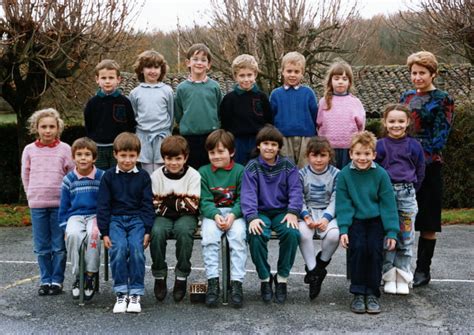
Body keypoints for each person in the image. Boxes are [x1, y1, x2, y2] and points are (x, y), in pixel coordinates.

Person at [400, 51, 454, 287]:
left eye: (422, 73)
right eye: (414, 73)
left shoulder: (443, 99)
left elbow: (441, 136)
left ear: (433, 73)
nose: (417, 77)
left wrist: (418, 154)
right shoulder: (406, 96)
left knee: (428, 219)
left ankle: (423, 269)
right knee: (401, 217)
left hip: (429, 166)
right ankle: (399, 267)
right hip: (402, 165)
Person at [336, 131, 399, 314]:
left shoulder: (381, 175)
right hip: (355, 220)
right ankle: (358, 292)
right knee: (358, 250)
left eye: (366, 154)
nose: (362, 158)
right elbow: (343, 204)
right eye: (358, 154)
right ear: (351, 154)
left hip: (375, 220)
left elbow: (388, 204)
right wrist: (344, 229)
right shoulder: (345, 175)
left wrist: (392, 231)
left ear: (374, 154)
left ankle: (371, 292)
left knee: (374, 251)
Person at [241, 125, 302, 304]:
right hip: (260, 212)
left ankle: (282, 278)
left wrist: (292, 212)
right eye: (265, 143)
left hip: (282, 212)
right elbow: (248, 194)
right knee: (256, 233)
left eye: (274, 144)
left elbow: (296, 190)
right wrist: (252, 217)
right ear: (259, 145)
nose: (269, 147)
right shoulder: (252, 167)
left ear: (279, 147)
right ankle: (265, 278)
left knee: (292, 233)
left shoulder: (288, 165)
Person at [97, 132, 154, 313]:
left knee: (136, 249)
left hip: (137, 220)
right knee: (119, 248)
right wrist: (104, 232)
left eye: (132, 156)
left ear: (138, 155)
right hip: (115, 220)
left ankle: (135, 293)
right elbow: (103, 205)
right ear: (115, 154)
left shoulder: (144, 177)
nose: (127, 160)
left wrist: (147, 229)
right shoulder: (108, 177)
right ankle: (121, 293)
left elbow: (147, 204)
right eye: (123, 155)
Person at [21, 108, 75, 296]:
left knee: (58, 246)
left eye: (52, 126)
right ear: (36, 128)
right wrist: (30, 195)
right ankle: (45, 280)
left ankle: (57, 281)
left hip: (59, 205)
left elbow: (70, 175)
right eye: (43, 126)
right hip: (37, 204)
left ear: (58, 128)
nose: (48, 130)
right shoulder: (29, 150)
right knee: (42, 246)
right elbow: (25, 175)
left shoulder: (65, 149)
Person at [375, 104, 425, 295]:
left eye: (401, 121)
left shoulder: (414, 145)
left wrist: (410, 189)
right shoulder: (379, 145)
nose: (396, 125)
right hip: (385, 196)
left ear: (408, 122)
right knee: (389, 237)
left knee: (405, 237)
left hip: (407, 194)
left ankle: (402, 276)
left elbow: (420, 171)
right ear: (385, 123)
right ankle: (388, 275)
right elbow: (375, 171)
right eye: (392, 121)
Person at [149, 135, 201, 303]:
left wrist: (168, 202)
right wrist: (178, 202)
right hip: (162, 216)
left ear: (185, 157)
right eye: (169, 158)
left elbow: (192, 205)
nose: (173, 163)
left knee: (183, 232)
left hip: (186, 217)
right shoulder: (156, 176)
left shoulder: (193, 175)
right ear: (163, 158)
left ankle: (181, 276)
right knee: (156, 232)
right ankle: (159, 275)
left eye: (178, 159)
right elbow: (154, 204)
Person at [199, 130, 247, 308]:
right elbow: (204, 200)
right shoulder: (203, 172)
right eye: (212, 153)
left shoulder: (240, 171)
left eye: (221, 152)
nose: (216, 156)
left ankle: (236, 284)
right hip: (213, 214)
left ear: (232, 152)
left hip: (236, 214)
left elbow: (244, 199)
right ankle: (213, 282)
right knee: (209, 238)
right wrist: (216, 215)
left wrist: (233, 215)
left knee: (238, 238)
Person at [58, 137, 105, 301]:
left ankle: (90, 275)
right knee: (74, 235)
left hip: (95, 216)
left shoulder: (102, 177)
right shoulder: (68, 179)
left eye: (87, 154)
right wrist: (65, 227)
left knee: (93, 235)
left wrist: (105, 223)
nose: (83, 158)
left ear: (94, 158)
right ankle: (79, 276)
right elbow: (63, 207)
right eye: (79, 154)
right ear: (73, 157)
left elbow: (106, 202)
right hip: (75, 216)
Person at [298, 137, 340, 300]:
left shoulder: (337, 174)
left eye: (323, 155)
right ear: (308, 156)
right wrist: (306, 217)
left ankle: (319, 266)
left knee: (334, 235)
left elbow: (336, 198)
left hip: (328, 214)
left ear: (329, 156)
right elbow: (298, 198)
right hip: (307, 214)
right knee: (302, 234)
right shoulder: (301, 174)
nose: (318, 159)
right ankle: (314, 272)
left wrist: (326, 218)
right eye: (314, 155)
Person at [175, 43, 222, 169]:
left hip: (211, 136)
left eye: (203, 60)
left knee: (211, 170)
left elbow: (219, 109)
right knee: (191, 171)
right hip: (189, 137)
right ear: (188, 63)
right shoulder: (181, 88)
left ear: (208, 65)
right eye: (195, 59)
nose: (199, 63)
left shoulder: (214, 87)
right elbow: (178, 113)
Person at [84, 59, 136, 170]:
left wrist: (126, 143)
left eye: (111, 78)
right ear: (97, 80)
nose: (107, 81)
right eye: (103, 78)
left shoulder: (124, 102)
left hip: (119, 148)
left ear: (118, 80)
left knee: (119, 176)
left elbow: (131, 124)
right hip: (98, 148)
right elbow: (88, 125)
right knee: (100, 177)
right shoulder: (92, 103)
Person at [219, 54, 272, 165]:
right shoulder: (229, 99)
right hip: (237, 142)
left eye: (249, 75)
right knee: (240, 170)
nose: (246, 79)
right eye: (242, 76)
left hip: (258, 140)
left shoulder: (261, 97)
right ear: (235, 76)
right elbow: (225, 123)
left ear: (255, 74)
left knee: (258, 169)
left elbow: (269, 121)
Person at [269, 51, 318, 168]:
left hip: (305, 138)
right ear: (282, 72)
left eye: (296, 72)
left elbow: (315, 114)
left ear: (302, 73)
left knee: (305, 168)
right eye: (289, 71)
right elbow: (271, 116)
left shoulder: (308, 93)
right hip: (283, 137)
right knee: (285, 168)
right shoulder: (276, 94)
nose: (292, 75)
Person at [129, 50, 174, 174]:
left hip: (162, 136)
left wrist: (166, 133)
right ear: (141, 69)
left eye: (156, 67)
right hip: (143, 137)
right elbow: (133, 115)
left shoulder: (167, 91)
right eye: (148, 67)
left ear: (161, 70)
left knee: (162, 171)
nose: (153, 71)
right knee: (147, 171)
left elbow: (171, 114)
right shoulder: (135, 92)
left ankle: (161, 194)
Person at [316, 60, 366, 169]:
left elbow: (361, 125)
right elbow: (318, 124)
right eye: (336, 78)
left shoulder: (355, 102)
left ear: (349, 82)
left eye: (344, 79)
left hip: (349, 149)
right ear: (330, 81)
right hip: (328, 148)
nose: (340, 82)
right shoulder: (323, 102)